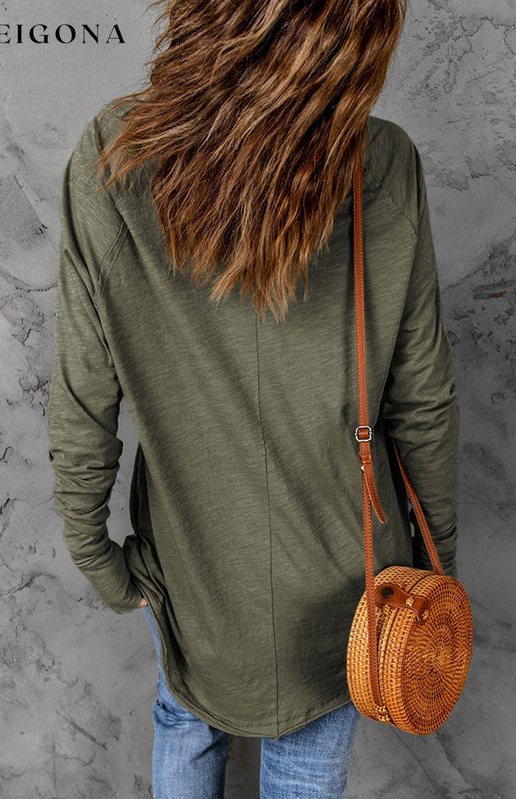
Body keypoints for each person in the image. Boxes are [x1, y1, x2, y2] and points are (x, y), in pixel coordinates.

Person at [47, 0, 460, 796]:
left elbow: (83, 395)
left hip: (190, 563)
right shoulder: (382, 162)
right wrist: (434, 558)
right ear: (355, 42)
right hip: (348, 572)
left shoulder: (113, 154)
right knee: (308, 760)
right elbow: (423, 400)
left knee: (184, 720)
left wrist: (98, 557)